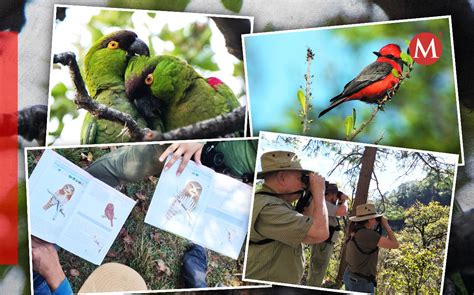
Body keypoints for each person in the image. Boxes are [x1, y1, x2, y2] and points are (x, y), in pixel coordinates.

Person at [245, 151, 329, 284]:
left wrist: (311, 195)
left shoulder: (275, 203)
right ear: (282, 178)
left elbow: (305, 235)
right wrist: (319, 193)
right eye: (300, 178)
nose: (303, 184)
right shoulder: (270, 209)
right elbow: (319, 233)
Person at [343, 203, 399, 293]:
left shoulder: (355, 230)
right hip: (361, 282)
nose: (376, 221)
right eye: (375, 218)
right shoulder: (368, 235)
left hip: (349, 275)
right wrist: (386, 226)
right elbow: (395, 244)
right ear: (370, 219)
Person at [307, 182, 349, 286]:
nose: (336, 198)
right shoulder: (323, 203)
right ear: (330, 194)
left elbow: (338, 213)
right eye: (336, 195)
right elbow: (343, 211)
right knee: (317, 272)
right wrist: (344, 200)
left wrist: (340, 200)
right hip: (323, 244)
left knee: (317, 272)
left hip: (325, 244)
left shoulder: (326, 204)